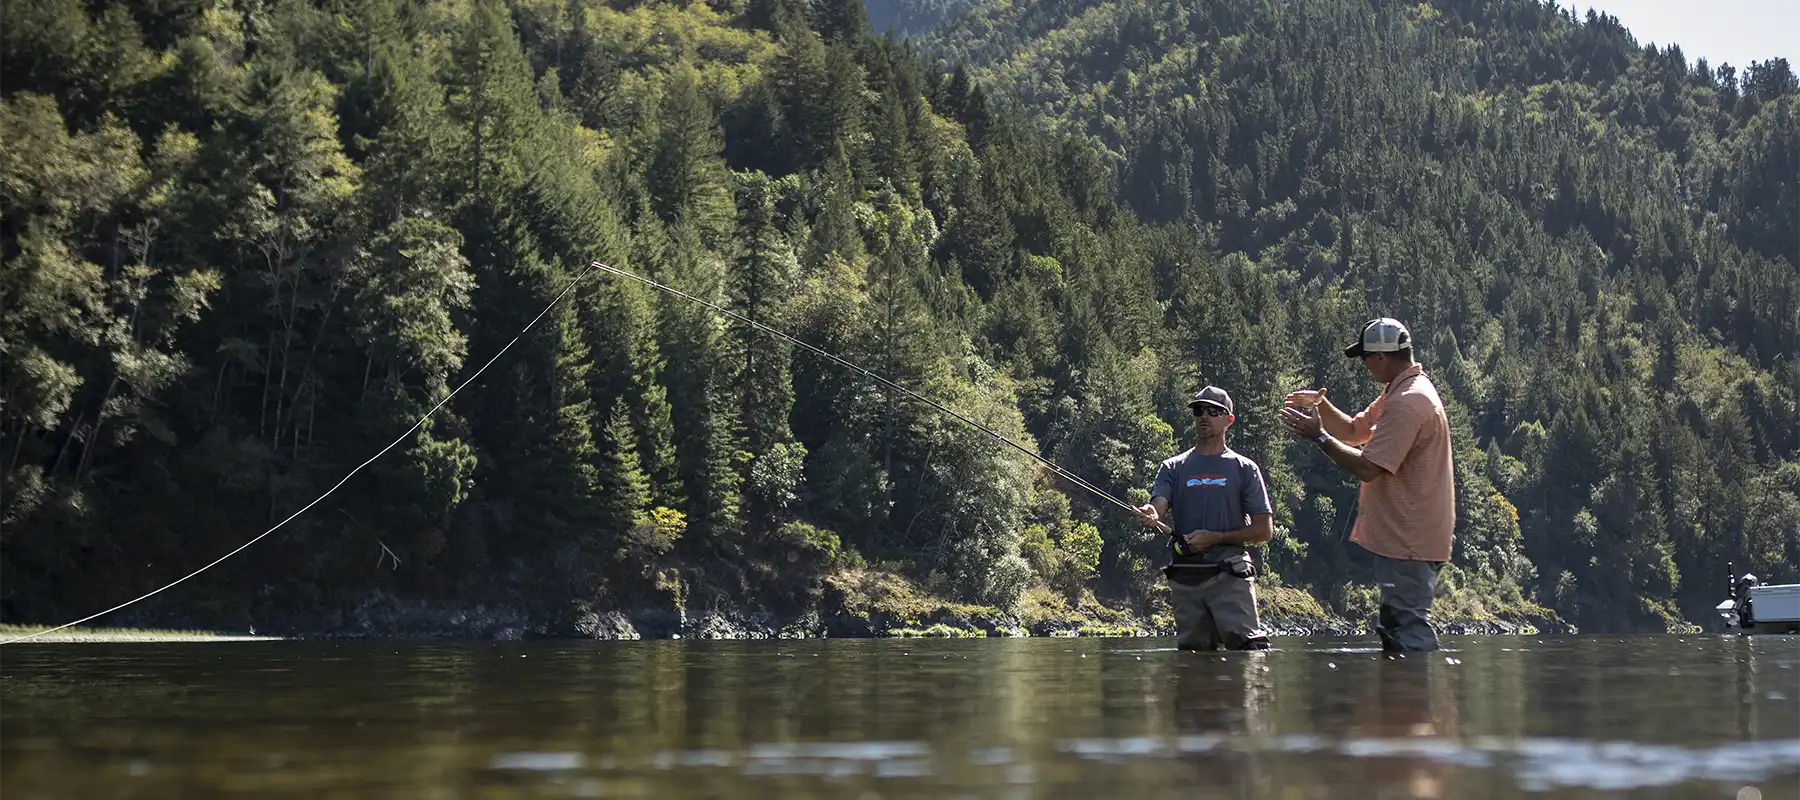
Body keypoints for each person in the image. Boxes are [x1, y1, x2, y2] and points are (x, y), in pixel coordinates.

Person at [1277, 317, 1455, 652]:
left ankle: (1416, 684)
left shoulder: (1407, 403)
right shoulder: (1401, 391)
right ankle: (1406, 685)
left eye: (1365, 358)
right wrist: (1321, 406)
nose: (1364, 365)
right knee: (1398, 629)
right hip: (1408, 539)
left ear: (1381, 357)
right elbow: (1354, 431)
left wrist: (1318, 437)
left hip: (1409, 541)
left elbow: (1368, 467)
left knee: (1407, 630)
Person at [1134, 385, 1274, 651]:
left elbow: (1264, 530)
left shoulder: (1245, 469)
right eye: (1198, 410)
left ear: (1229, 419)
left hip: (1230, 574)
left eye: (1213, 411)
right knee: (1192, 657)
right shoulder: (1172, 467)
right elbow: (1159, 503)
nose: (1204, 416)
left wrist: (1216, 538)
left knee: (1250, 652)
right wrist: (1152, 512)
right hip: (1186, 578)